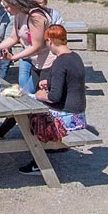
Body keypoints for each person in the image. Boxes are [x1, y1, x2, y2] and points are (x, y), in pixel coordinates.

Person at [22, 24, 87, 176]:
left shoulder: (59, 62)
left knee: (27, 111)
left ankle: (39, 162)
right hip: (79, 113)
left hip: (67, 116)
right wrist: (49, 83)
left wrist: (40, 95)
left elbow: (54, 97)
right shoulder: (75, 57)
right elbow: (69, 82)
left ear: (50, 41)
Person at [0, 0, 51, 95]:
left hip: (48, 63)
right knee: (25, 92)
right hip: (35, 62)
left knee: (29, 94)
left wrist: (13, 57)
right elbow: (13, 38)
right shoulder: (18, 14)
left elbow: (36, 46)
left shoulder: (35, 16)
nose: (6, 10)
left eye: (7, 6)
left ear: (15, 3)